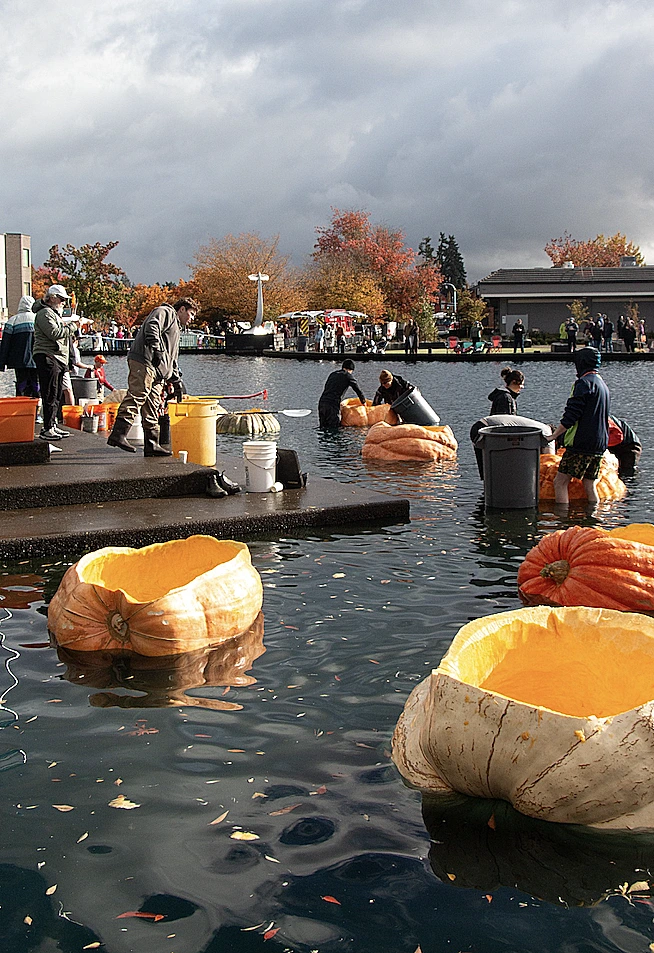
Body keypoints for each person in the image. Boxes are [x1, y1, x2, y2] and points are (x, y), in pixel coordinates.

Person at [107, 297, 199, 456]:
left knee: (153, 404)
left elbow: (171, 360)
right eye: (191, 314)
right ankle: (118, 434)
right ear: (182, 309)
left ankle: (151, 444)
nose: (192, 319)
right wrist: (157, 349)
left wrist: (176, 380)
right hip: (145, 361)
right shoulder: (166, 312)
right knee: (138, 394)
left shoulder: (176, 328)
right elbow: (152, 326)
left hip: (158, 370)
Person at [551, 347, 610, 504]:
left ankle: (562, 517)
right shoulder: (602, 385)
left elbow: (571, 415)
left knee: (560, 482)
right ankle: (593, 516)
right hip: (599, 444)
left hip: (581, 443)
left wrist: (554, 436)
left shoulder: (583, 383)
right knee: (589, 484)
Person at [32, 285, 80, 441]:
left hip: (57, 358)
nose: (64, 303)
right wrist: (74, 326)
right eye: (62, 299)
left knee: (56, 394)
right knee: (50, 394)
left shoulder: (52, 313)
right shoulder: (44, 313)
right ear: (52, 298)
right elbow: (54, 333)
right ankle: (47, 428)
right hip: (48, 357)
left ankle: (52, 425)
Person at [0, 294, 39, 397]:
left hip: (18, 360)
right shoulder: (37, 320)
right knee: (36, 382)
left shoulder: (12, 321)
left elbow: (5, 344)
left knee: (21, 383)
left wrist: (2, 363)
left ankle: (21, 401)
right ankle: (37, 402)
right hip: (36, 359)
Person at [318, 358, 366, 428]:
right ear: (351, 370)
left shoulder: (333, 374)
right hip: (333, 405)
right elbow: (357, 389)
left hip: (322, 402)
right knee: (334, 428)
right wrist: (363, 401)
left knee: (323, 427)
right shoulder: (348, 376)